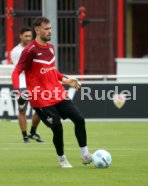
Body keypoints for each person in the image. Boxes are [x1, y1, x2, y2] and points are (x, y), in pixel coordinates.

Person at [12, 17, 92, 168]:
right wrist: (18, 91)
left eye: (50, 28)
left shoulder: (50, 48)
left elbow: (52, 71)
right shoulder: (29, 50)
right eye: (46, 29)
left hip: (57, 93)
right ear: (37, 30)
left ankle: (85, 154)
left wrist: (66, 80)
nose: (50, 31)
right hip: (41, 98)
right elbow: (16, 72)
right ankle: (62, 158)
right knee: (57, 128)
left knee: (79, 119)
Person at [11, 26, 44, 143]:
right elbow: (23, 68)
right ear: (20, 36)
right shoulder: (16, 52)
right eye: (26, 36)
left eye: (30, 36)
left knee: (41, 109)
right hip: (22, 84)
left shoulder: (36, 48)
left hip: (35, 84)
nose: (28, 38)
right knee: (22, 110)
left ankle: (33, 132)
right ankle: (25, 135)